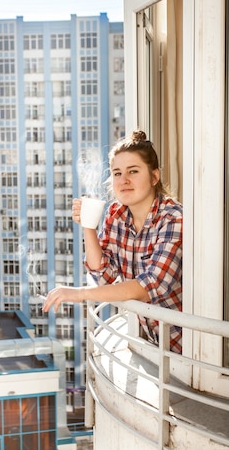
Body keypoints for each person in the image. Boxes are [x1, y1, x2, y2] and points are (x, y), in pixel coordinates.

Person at [43, 130, 183, 353]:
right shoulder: (116, 214)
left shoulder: (172, 218)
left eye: (133, 171)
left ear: (154, 177)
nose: (123, 180)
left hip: (184, 348)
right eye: (117, 173)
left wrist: (79, 294)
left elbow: (149, 287)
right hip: (148, 344)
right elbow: (104, 276)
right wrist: (88, 226)